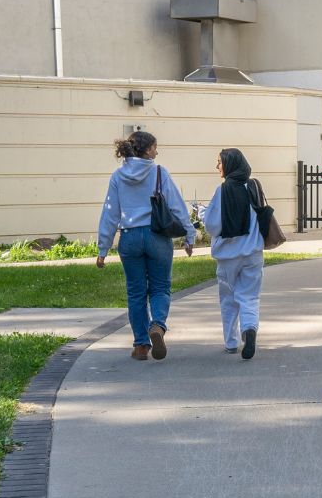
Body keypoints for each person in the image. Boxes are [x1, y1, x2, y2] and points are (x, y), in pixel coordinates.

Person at [95, 130, 194, 360]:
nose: (157, 151)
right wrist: (189, 235)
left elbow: (110, 214)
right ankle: (157, 326)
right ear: (148, 150)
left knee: (136, 292)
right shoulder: (159, 172)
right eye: (155, 147)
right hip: (157, 236)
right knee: (160, 287)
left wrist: (103, 249)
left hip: (129, 237)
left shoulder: (118, 176)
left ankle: (140, 345)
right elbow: (177, 206)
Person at [202, 147, 267, 360]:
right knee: (249, 295)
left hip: (228, 256)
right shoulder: (253, 187)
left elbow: (212, 226)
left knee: (228, 298)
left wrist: (203, 215)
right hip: (253, 253)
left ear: (229, 165)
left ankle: (231, 342)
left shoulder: (222, 191)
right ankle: (249, 329)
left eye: (219, 162)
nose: (217, 166)